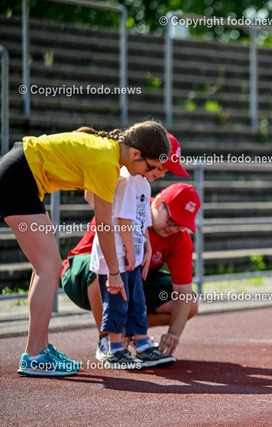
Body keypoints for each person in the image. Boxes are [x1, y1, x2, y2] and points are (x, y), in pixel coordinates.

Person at [0, 121, 170, 377]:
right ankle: (35, 355)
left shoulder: (107, 151)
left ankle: (39, 349)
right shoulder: (107, 162)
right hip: (19, 177)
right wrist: (115, 273)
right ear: (136, 154)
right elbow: (104, 226)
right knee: (49, 268)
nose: (150, 174)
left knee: (45, 267)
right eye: (150, 167)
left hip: (21, 173)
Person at [62, 182, 201, 360]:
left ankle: (134, 330)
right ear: (158, 203)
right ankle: (108, 340)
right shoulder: (129, 207)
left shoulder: (179, 238)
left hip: (131, 278)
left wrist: (174, 334)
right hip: (82, 276)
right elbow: (90, 195)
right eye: (172, 220)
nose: (173, 229)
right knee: (106, 266)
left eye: (180, 225)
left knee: (189, 304)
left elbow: (183, 291)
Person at [90, 163, 175, 369]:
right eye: (159, 168)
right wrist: (130, 251)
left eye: (165, 170)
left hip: (132, 256)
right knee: (116, 302)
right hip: (116, 256)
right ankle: (115, 350)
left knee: (137, 302)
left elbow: (143, 221)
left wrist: (146, 249)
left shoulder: (144, 183)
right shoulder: (127, 179)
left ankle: (143, 346)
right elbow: (123, 218)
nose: (162, 174)